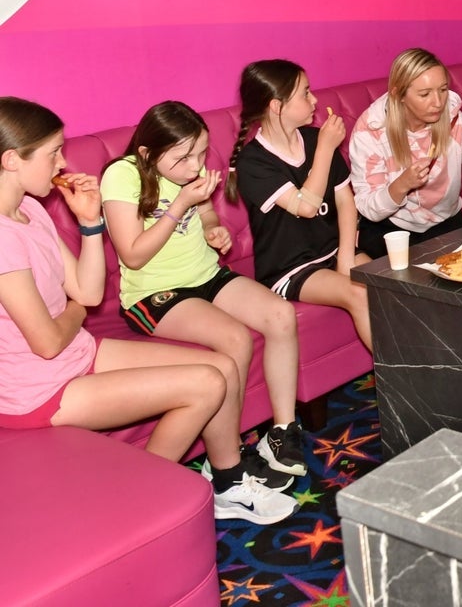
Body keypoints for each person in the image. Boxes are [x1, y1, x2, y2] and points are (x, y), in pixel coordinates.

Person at [0, 97, 295, 524]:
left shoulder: (28, 208)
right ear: (11, 160)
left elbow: (86, 289)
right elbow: (47, 341)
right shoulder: (4, 239)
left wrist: (88, 225)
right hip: (35, 389)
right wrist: (78, 311)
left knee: (223, 367)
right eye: (53, 152)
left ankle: (228, 481)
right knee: (206, 385)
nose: (62, 161)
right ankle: (136, 504)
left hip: (74, 351)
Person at [101, 101, 310, 478]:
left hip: (206, 275)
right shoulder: (122, 175)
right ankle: (227, 458)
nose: (195, 167)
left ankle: (281, 430)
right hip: (155, 294)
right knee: (235, 339)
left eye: (200, 153)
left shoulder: (186, 171)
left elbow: (206, 211)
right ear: (148, 153)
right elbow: (132, 255)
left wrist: (214, 227)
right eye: (183, 158)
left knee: (279, 314)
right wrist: (180, 204)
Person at [225, 60, 371, 350]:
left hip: (333, 250)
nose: (314, 99)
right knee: (360, 293)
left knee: (393, 285)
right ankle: (404, 383)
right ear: (276, 106)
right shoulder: (253, 162)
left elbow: (345, 201)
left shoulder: (315, 137)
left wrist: (345, 257)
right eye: (305, 93)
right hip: (290, 268)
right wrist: (327, 149)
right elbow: (306, 206)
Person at [348, 48, 462, 258]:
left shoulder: (453, 119)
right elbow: (368, 207)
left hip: (446, 224)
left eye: (442, 90)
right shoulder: (371, 130)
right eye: (425, 94)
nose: (438, 102)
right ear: (398, 94)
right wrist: (401, 185)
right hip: (389, 232)